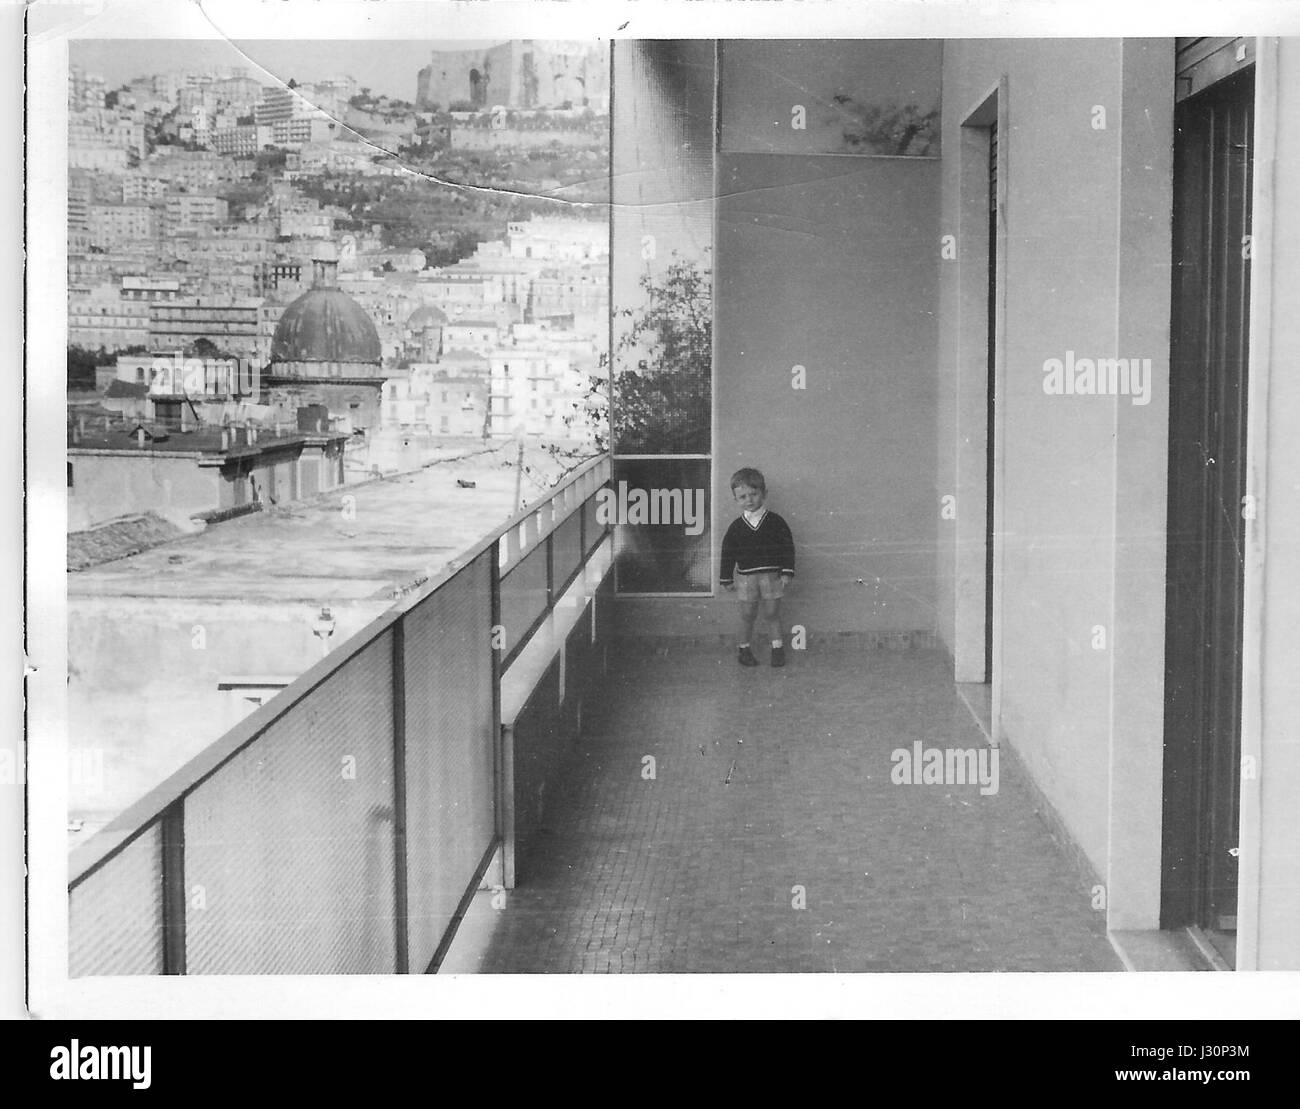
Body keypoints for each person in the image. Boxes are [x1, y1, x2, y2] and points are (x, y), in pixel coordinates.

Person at [719, 467, 796, 667]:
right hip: (746, 578)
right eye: (742, 496)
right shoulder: (736, 527)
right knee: (747, 614)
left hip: (771, 576)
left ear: (764, 494)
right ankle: (744, 649)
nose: (749, 500)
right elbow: (728, 553)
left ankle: (777, 649)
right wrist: (726, 578)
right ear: (736, 499)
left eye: (754, 494)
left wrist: (787, 571)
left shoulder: (776, 522)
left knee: (772, 613)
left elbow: (787, 547)